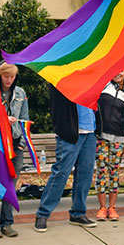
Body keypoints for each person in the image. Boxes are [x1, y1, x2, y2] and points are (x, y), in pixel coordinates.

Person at [34, 85, 101, 232]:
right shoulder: (62, 76)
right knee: (61, 173)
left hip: (89, 131)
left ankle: (78, 213)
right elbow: (56, 104)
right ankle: (43, 213)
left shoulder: (89, 75)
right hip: (70, 132)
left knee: (85, 174)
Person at [0, 62, 29, 238]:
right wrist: (3, 119)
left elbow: (25, 119)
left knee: (10, 185)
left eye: (12, 77)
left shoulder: (20, 93)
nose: (9, 80)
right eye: (6, 77)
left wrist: (21, 144)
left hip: (15, 143)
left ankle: (7, 222)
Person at [94, 68, 124, 221]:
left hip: (118, 139)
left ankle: (112, 208)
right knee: (101, 172)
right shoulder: (103, 87)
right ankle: (102, 207)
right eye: (116, 69)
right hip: (101, 138)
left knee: (114, 173)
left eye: (122, 71)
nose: (119, 73)